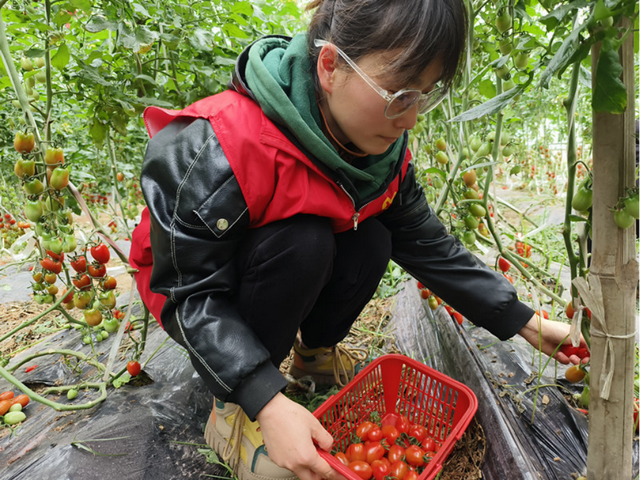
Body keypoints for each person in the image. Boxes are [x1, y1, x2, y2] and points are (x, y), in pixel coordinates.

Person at [129, 1, 588, 479]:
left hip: (275, 265)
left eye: (423, 95)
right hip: (192, 288)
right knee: (304, 241)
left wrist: (523, 321)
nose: (410, 120)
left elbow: (425, 242)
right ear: (329, 67)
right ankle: (233, 416)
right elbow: (189, 293)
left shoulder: (381, 153)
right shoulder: (214, 148)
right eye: (401, 95)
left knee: (372, 239)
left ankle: (313, 358)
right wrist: (262, 398)